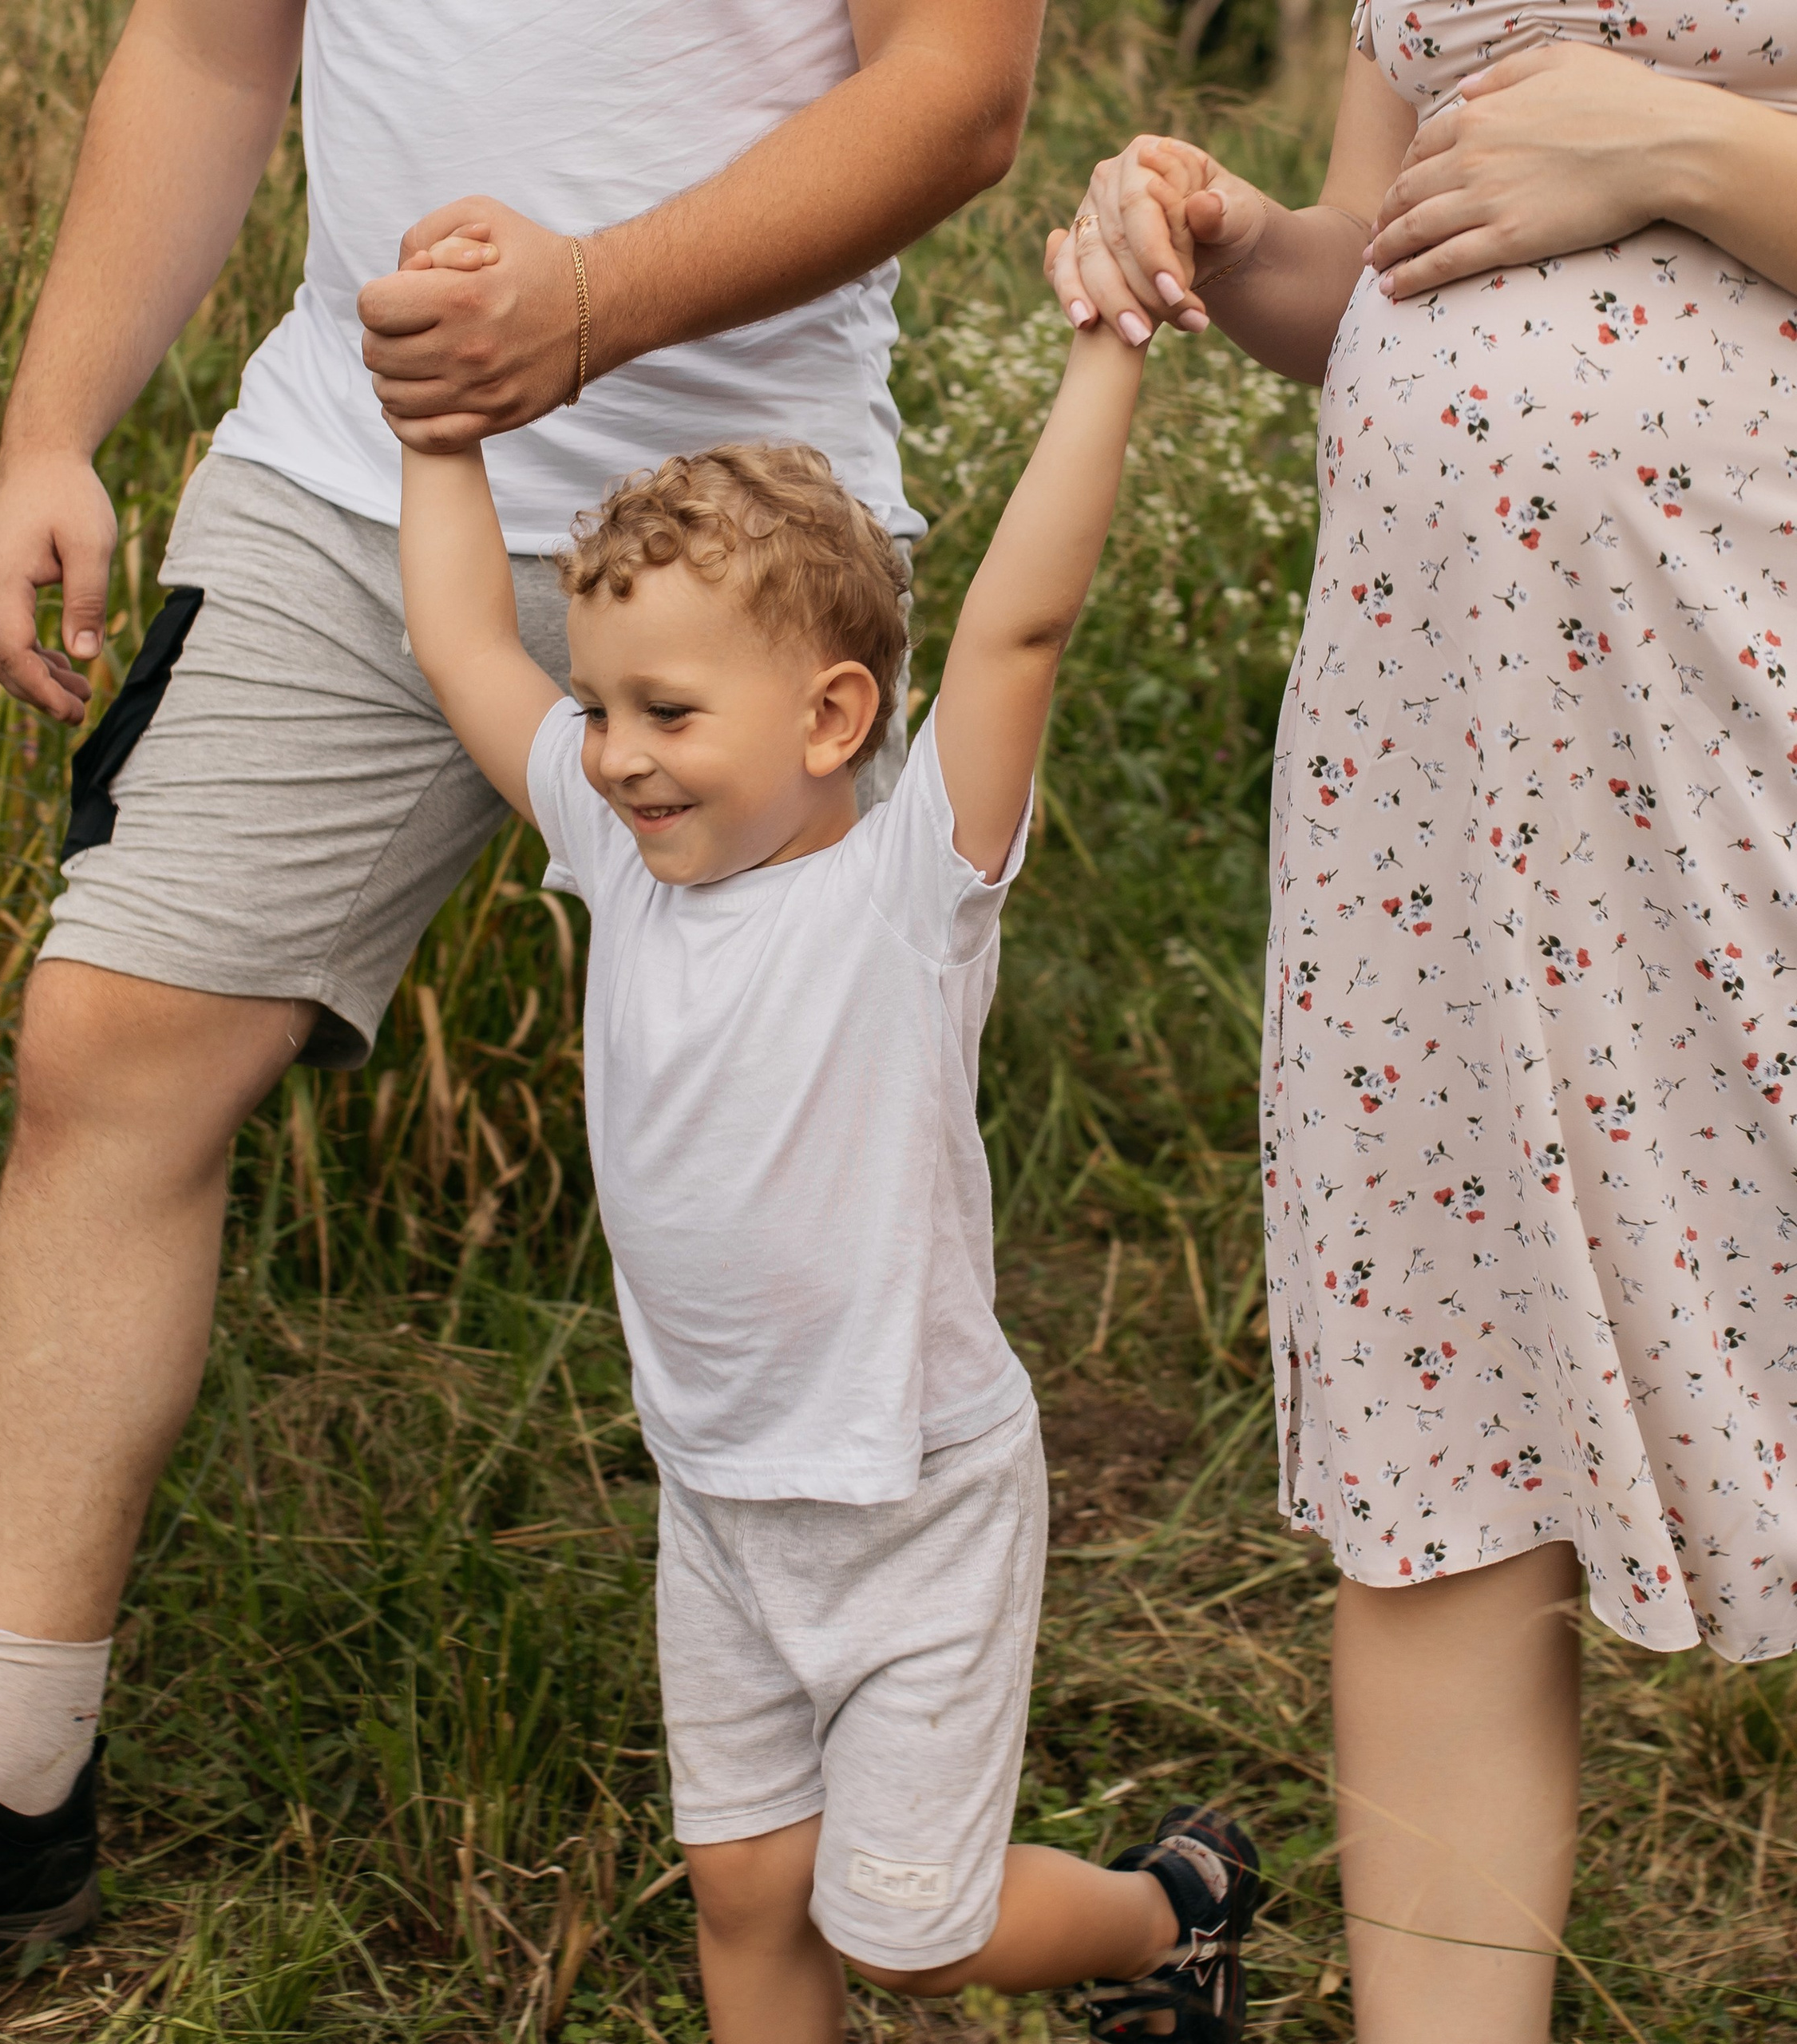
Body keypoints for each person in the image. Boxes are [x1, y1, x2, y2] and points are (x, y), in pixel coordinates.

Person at [0, 0, 1048, 2024]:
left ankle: (879, 1801)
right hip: (347, 485)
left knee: (810, 1193)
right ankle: (5, 1779)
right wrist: (49, 427)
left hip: (743, 528)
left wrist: (593, 302)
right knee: (106, 1042)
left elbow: (957, 94)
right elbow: (207, 52)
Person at [392, 223, 1260, 2044]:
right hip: (720, 1494)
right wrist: (441, 429)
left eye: (667, 712)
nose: (614, 751)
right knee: (742, 1889)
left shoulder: (905, 889)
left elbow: (1017, 625)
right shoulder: (623, 857)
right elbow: (464, 641)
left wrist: (1108, 348)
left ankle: (1168, 1911)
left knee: (910, 1934)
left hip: (910, 1496)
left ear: (831, 715)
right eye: (602, 707)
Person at [1048, 21, 1797, 2042]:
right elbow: (1387, 246)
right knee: (1448, 1437)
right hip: (1436, 784)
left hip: (1742, 703)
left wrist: (1676, 148)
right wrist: (1229, 239)